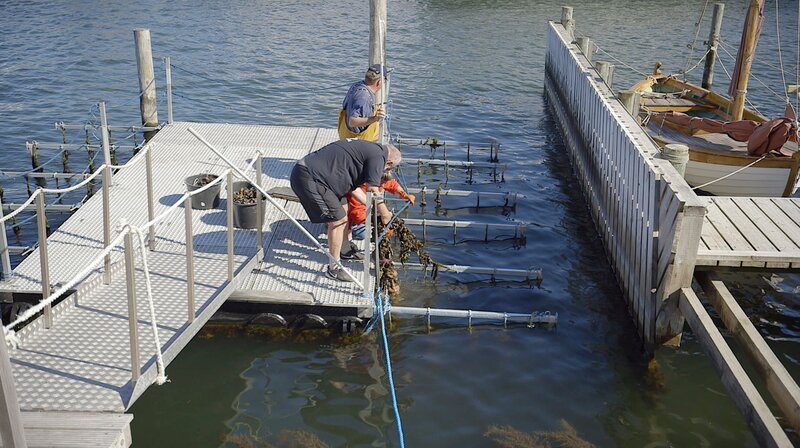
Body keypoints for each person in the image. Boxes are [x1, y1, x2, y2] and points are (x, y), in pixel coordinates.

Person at [290, 139, 402, 282]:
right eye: (387, 170)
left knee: (344, 208)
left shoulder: (372, 151)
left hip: (323, 177)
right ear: (390, 163)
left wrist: (374, 208)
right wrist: (385, 213)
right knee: (338, 220)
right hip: (308, 177)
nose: (385, 172)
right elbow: (372, 188)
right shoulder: (379, 157)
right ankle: (333, 269)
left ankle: (345, 249)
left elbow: (354, 188)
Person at [347, 172, 415, 240]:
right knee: (364, 234)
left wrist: (404, 195)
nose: (383, 185)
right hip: (352, 220)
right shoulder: (360, 189)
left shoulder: (380, 181)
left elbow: (393, 184)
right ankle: (349, 234)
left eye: (384, 183)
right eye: (381, 182)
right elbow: (357, 213)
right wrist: (379, 225)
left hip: (365, 212)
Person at [338, 64, 385, 142]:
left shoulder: (357, 85)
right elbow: (353, 121)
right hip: (356, 141)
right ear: (379, 82)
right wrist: (375, 118)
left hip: (345, 134)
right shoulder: (364, 97)